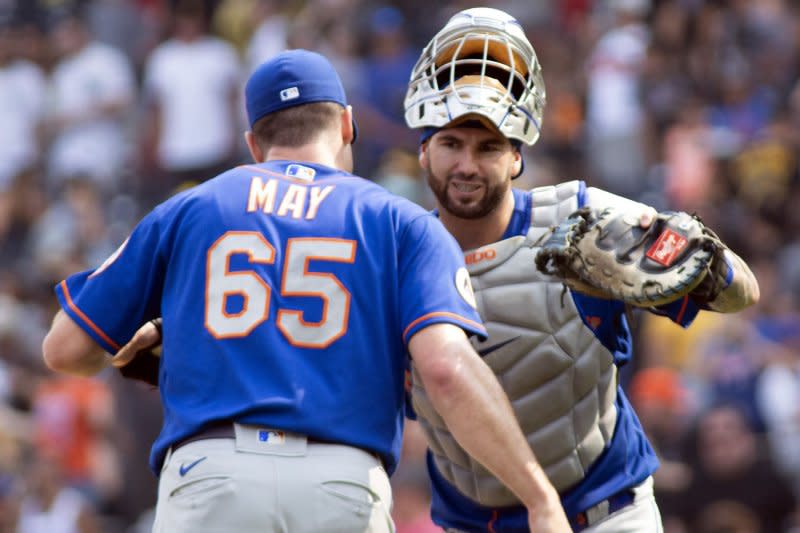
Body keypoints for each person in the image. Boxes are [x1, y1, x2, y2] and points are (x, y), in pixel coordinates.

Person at [41, 49, 569, 532]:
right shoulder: (400, 221)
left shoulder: (190, 208)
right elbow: (447, 370)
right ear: (346, 125)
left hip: (208, 474)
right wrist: (539, 497)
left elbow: (64, 349)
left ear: (253, 144)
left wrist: (166, 333)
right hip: (339, 481)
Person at [403, 7, 760, 533]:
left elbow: (742, 293)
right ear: (423, 151)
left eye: (489, 148)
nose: (467, 166)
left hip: (606, 512)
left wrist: (700, 264)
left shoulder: (578, 219)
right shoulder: (396, 253)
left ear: (517, 157)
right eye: (451, 144)